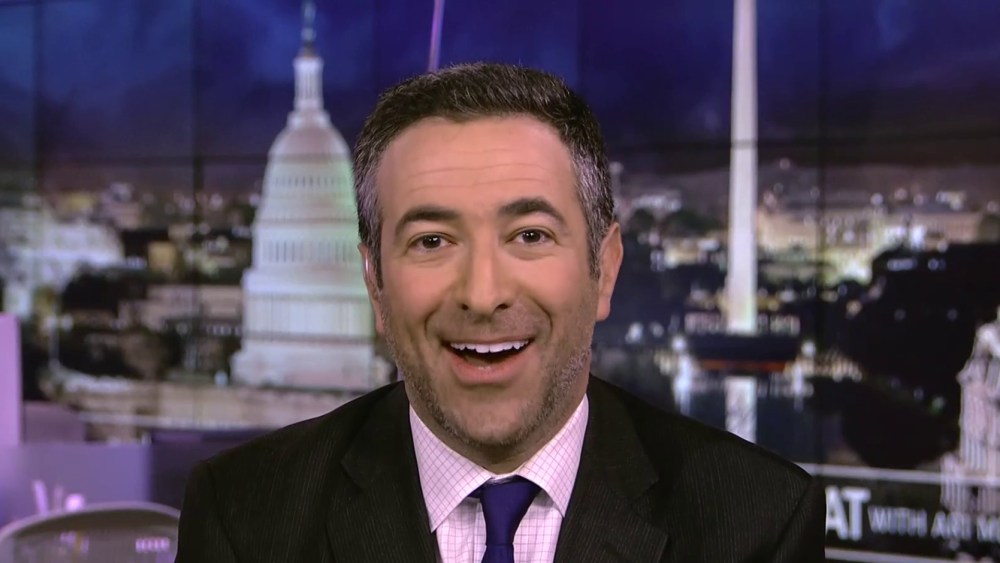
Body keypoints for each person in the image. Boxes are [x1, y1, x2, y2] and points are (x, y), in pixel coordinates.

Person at [175, 62, 826, 563]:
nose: (483, 295)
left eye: (530, 235)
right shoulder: (247, 518)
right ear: (374, 283)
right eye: (433, 241)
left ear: (604, 268)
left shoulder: (754, 523)